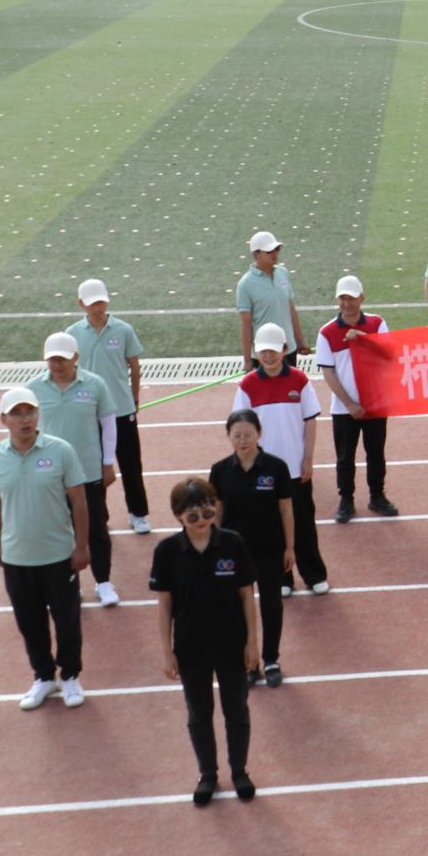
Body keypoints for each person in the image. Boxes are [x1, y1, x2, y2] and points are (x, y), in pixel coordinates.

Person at [150, 477, 259, 806]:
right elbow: (165, 605)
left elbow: (246, 595)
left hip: (231, 643)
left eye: (207, 511)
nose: (201, 520)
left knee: (236, 710)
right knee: (199, 713)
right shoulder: (167, 551)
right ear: (178, 516)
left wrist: (252, 642)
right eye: (192, 515)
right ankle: (208, 774)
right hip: (190, 647)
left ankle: (239, 770)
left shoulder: (233, 543)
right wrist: (167, 652)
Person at [0, 387, 91, 711]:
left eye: (29, 411)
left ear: (37, 414)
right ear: (4, 419)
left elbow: (79, 501)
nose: (25, 419)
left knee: (67, 620)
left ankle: (70, 675)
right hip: (17, 557)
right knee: (29, 622)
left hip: (59, 555)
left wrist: (81, 547)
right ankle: (44, 676)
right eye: (16, 414)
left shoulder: (61, 451)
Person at [233, 322, 326, 596]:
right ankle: (283, 579)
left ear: (285, 350)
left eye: (273, 351)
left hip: (296, 469)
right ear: (256, 352)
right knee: (272, 528)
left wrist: (308, 459)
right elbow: (241, 428)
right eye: (263, 351)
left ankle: (314, 574)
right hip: (264, 470)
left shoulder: (300, 380)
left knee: (304, 523)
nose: (268, 356)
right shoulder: (247, 385)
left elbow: (310, 421)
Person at [29, 333, 120, 606]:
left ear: (76, 358)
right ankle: (70, 584)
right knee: (59, 532)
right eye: (52, 360)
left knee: (96, 530)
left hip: (88, 471)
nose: (57, 365)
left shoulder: (95, 385)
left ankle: (103, 582)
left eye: (62, 359)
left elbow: (109, 426)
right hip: (50, 474)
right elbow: (28, 432)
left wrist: (108, 462)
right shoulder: (33, 389)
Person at [209, 410, 295, 685]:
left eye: (248, 434)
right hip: (234, 554)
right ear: (228, 437)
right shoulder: (220, 471)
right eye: (237, 435)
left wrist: (290, 547)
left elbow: (286, 509)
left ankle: (271, 660)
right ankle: (249, 663)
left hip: (270, 548)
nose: (243, 440)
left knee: (271, 604)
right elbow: (217, 512)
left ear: (259, 433)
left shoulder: (276, 467)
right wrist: (215, 547)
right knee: (238, 609)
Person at [65, 279, 149, 536]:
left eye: (101, 302)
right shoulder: (72, 334)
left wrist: (134, 399)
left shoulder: (123, 330)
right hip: (89, 412)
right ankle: (99, 515)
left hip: (121, 409)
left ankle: (138, 513)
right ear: (81, 304)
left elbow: (134, 366)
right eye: (92, 303)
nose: (98, 307)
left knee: (131, 464)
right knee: (94, 468)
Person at [315, 275, 397, 523]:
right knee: (345, 457)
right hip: (344, 409)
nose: (346, 303)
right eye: (342, 298)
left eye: (351, 298)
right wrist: (349, 404)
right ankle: (346, 500)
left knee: (376, 453)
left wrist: (361, 337)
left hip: (375, 404)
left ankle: (377, 496)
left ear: (361, 298)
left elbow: (389, 353)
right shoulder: (327, 332)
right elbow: (328, 373)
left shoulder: (377, 323)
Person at [236, 231, 303, 371]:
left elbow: (291, 310)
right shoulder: (245, 284)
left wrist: (300, 342)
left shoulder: (283, 273)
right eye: (269, 251)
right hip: (264, 354)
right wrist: (247, 360)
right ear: (256, 254)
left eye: (277, 249)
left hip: (288, 349)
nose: (274, 254)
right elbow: (246, 325)